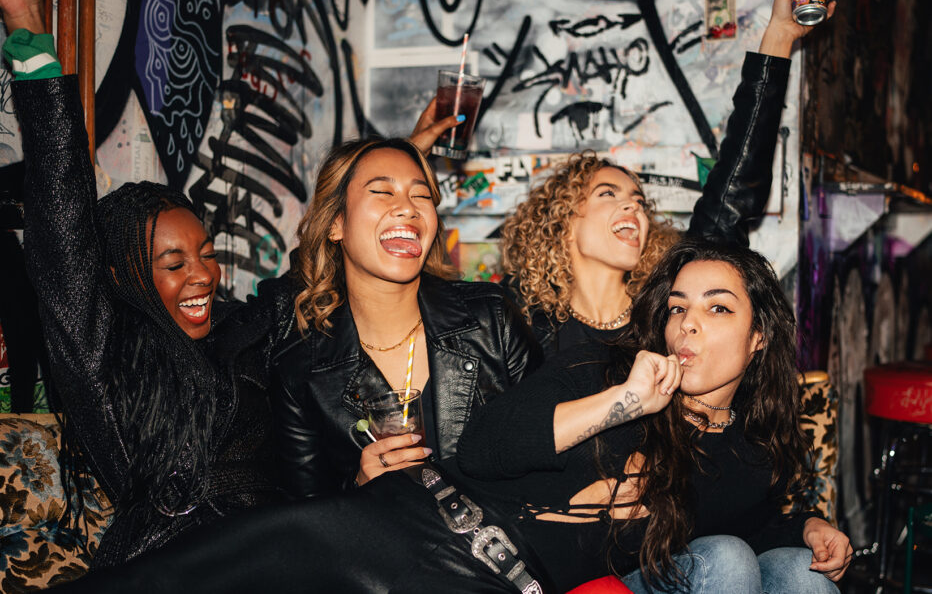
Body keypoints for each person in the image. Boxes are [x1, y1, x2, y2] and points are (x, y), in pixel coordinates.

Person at [50, 239, 851, 593]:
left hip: (494, 584)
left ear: (757, 340)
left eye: (717, 309)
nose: (687, 326)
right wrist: (624, 403)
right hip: (413, 521)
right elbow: (491, 448)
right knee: (175, 579)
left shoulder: (746, 460)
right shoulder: (601, 364)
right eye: (678, 306)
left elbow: (766, 521)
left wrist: (813, 526)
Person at [1, 0, 300, 567]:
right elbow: (62, 212)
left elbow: (315, 278)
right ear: (122, 274)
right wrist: (26, 27)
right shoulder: (103, 352)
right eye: (172, 263)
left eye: (204, 255)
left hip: (285, 548)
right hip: (177, 561)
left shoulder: (245, 330)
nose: (201, 275)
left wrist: (392, 181)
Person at [412, 0, 836, 359]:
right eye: (607, 193)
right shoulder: (517, 318)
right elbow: (410, 290)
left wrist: (779, 36)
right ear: (564, 222)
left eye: (637, 199)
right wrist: (412, 157)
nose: (633, 206)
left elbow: (735, 187)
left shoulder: (664, 308)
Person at [271, 137, 541, 499]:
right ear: (336, 224)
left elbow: (551, 445)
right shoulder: (301, 371)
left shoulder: (490, 320)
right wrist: (359, 491)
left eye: (422, 196)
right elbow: (300, 523)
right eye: (382, 191)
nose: (408, 208)